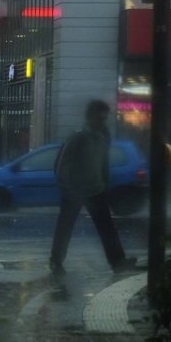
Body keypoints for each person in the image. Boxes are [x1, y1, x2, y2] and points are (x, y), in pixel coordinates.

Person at [48, 99, 138, 277]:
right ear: (89, 117)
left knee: (106, 227)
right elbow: (61, 165)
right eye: (99, 118)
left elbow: (103, 164)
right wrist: (67, 188)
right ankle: (56, 261)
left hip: (95, 189)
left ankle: (118, 261)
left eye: (104, 118)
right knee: (65, 228)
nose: (102, 122)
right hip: (74, 191)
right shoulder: (78, 138)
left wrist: (104, 184)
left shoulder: (103, 137)